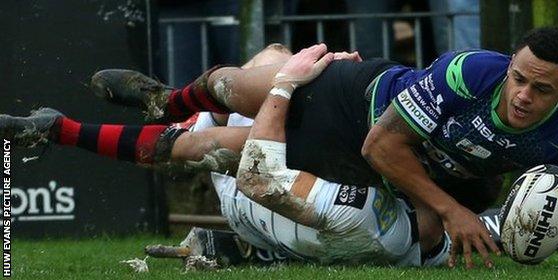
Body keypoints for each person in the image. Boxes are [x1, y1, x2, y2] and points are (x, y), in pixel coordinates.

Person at [2, 27, 558, 269]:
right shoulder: (471, 72)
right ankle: (174, 98)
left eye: (539, 90)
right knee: (240, 85)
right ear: (508, 67)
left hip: (379, 168)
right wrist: (453, 209)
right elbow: (384, 147)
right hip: (355, 104)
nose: (521, 96)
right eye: (518, 77)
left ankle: (53, 129)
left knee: (206, 150)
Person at [1, 44, 450, 267]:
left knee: (219, 136)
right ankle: (155, 110)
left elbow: (262, 176)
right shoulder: (422, 234)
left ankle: (90, 123)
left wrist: (288, 84)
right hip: (291, 206)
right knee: (280, 80)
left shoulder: (369, 218)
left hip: (251, 192)